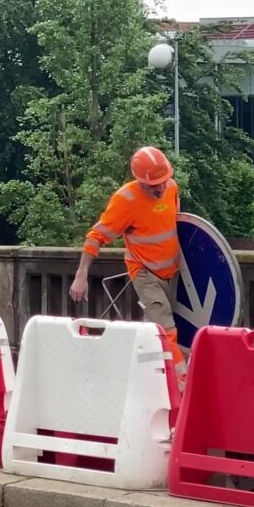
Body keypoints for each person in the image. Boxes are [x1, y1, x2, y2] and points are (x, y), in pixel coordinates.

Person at [69, 146, 186, 383]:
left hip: (174, 272)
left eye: (164, 181)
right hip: (144, 271)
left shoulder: (172, 188)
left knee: (168, 328)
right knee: (165, 327)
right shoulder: (125, 200)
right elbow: (96, 236)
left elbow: (178, 225)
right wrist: (81, 276)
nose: (161, 187)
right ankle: (181, 384)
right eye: (155, 185)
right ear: (140, 181)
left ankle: (152, 377)